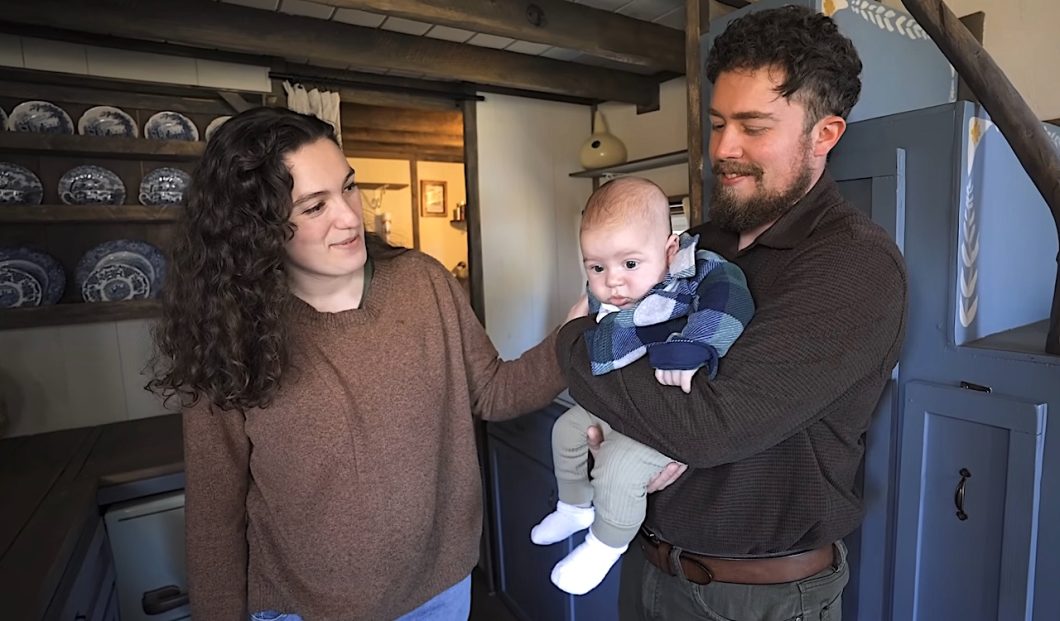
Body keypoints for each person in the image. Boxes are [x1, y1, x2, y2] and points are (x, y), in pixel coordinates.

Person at [149, 106, 585, 620]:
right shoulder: (228, 332)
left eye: (349, 187)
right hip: (302, 611)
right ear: (256, 227)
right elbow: (214, 515)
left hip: (438, 591)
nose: (350, 216)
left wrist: (580, 331)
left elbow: (492, 389)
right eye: (315, 207)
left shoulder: (422, 283)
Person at [556, 6, 908, 620]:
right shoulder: (699, 244)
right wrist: (618, 422)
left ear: (824, 134)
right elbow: (637, 360)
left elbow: (708, 426)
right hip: (647, 564)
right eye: (718, 122)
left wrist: (569, 343)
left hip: (757, 597)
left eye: (753, 125)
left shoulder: (854, 266)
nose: (724, 148)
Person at [530, 177, 754, 596]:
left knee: (618, 466)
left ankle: (605, 543)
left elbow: (732, 302)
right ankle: (574, 506)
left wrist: (692, 347)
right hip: (620, 403)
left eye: (629, 264)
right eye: (596, 268)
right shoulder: (611, 297)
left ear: (669, 250)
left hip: (671, 412)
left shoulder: (696, 274)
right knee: (565, 431)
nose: (613, 281)